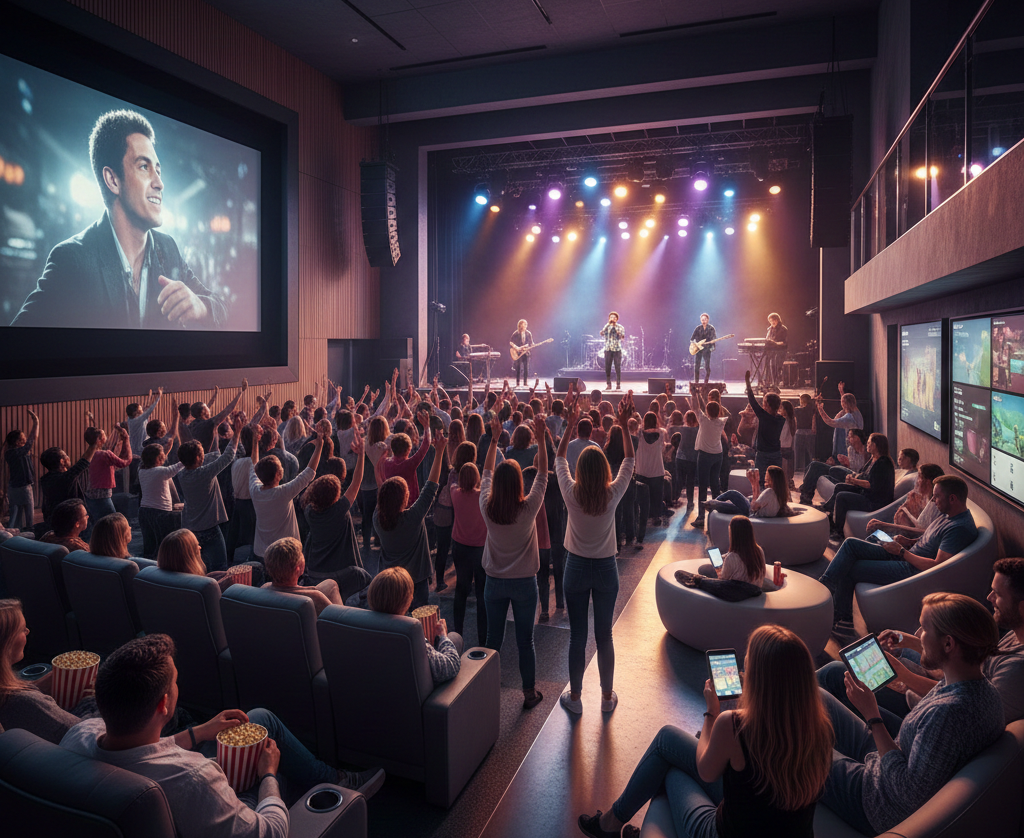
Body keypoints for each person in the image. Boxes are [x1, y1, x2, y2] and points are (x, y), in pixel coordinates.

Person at [60, 635, 384, 838]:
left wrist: (199, 731)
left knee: (259, 718)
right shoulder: (194, 778)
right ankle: (329, 786)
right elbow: (269, 833)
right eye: (174, 682)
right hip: (224, 809)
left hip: (182, 797)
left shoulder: (80, 735)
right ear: (163, 703)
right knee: (269, 757)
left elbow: (141, 751)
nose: (177, 686)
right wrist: (268, 774)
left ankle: (329, 776)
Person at [579, 624, 833, 838]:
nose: (744, 671)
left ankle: (613, 824)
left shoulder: (734, 724)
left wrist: (712, 712)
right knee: (673, 746)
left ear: (759, 682)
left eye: (748, 667)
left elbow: (706, 770)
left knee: (670, 762)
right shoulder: (820, 730)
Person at [11, 110, 225, 329]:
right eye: (144, 167)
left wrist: (202, 307)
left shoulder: (168, 248)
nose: (159, 183)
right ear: (112, 180)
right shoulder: (72, 260)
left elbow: (221, 307)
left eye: (158, 170)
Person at [820, 593, 1003, 835]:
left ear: (949, 644)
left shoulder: (947, 716)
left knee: (797, 750)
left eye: (924, 629)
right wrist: (903, 676)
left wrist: (872, 715)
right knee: (818, 695)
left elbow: (906, 793)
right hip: (893, 757)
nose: (917, 635)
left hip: (877, 802)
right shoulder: (980, 688)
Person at [818, 559, 1024, 737]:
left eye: (997, 594)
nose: (989, 598)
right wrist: (909, 642)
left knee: (835, 674)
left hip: (921, 711)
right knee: (897, 653)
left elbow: (968, 709)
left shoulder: (1016, 670)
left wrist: (906, 678)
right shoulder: (1015, 636)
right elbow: (967, 670)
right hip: (945, 686)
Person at [819, 475, 978, 638]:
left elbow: (937, 566)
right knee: (853, 543)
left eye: (937, 496)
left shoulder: (959, 528)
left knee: (853, 566)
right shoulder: (947, 515)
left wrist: (902, 552)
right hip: (905, 554)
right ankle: (826, 586)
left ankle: (837, 610)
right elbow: (931, 539)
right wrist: (907, 541)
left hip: (910, 569)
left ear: (952, 498)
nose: (933, 500)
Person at [556, 392, 635, 714]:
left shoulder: (571, 492)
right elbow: (629, 461)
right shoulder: (612, 492)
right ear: (603, 467)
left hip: (575, 567)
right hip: (606, 570)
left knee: (577, 636)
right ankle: (606, 698)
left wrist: (571, 425)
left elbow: (560, 459)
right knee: (605, 636)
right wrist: (625, 426)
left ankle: (575, 699)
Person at [480, 411, 548, 709]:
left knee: (493, 639)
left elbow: (484, 474)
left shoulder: (487, 507)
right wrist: (543, 439)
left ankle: (485, 689)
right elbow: (544, 474)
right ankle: (529, 693)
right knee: (525, 641)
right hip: (524, 583)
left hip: (494, 581)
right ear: (520, 483)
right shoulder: (529, 508)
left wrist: (494, 440)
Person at [0, 599, 99, 743]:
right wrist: (93, 698)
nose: (28, 631)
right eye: (22, 629)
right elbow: (87, 736)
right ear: (6, 643)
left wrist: (34, 687)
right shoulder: (25, 703)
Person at [374, 428, 448, 610]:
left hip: (390, 578)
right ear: (404, 499)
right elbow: (431, 487)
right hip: (416, 579)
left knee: (391, 618)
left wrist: (378, 464)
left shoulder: (378, 518)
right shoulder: (413, 518)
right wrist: (439, 453)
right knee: (418, 618)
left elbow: (382, 487)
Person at [302, 439, 373, 598]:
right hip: (339, 572)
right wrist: (361, 455)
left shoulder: (309, 512)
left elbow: (308, 478)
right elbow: (356, 481)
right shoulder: (339, 510)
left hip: (316, 570)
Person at [368, 567, 463, 686]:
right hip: (421, 697)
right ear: (408, 600)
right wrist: (443, 637)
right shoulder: (410, 635)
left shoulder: (361, 627)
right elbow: (451, 665)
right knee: (455, 638)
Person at [249, 422, 326, 561]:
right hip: (286, 551)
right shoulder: (283, 493)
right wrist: (320, 446)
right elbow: (309, 472)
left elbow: (253, 464)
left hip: (262, 552)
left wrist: (255, 441)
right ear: (279, 475)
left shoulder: (255, 490)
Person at [177, 415, 242, 571]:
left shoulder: (181, 473)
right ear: (199, 457)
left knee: (196, 566)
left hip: (190, 527)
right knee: (220, 567)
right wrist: (237, 432)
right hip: (209, 528)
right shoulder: (204, 474)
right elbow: (228, 456)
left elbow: (204, 459)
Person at [822, 432, 895, 538]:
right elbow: (862, 474)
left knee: (842, 497)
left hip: (875, 501)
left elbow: (871, 485)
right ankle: (829, 513)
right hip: (867, 494)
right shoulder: (872, 459)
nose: (867, 445)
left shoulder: (883, 462)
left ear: (876, 445)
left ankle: (838, 530)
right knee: (840, 487)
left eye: (870, 443)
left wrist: (854, 481)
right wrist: (852, 478)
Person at [261, 536, 356, 615]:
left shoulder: (263, 589)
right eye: (301, 554)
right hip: (320, 636)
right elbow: (339, 624)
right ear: (298, 568)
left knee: (330, 584)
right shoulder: (315, 598)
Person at [157, 528, 265, 591]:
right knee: (256, 568)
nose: (200, 547)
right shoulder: (206, 589)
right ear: (188, 558)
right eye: (196, 546)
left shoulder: (156, 580)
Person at [697, 515, 778, 590]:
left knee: (704, 569)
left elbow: (722, 580)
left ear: (733, 534)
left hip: (737, 591)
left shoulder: (732, 557)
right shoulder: (759, 550)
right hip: (755, 588)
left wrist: (719, 571)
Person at [38, 433, 99, 531]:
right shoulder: (65, 478)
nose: (68, 457)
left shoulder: (45, 479)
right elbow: (83, 462)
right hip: (72, 521)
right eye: (66, 455)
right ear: (62, 461)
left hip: (56, 520)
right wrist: (95, 444)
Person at [866, 463, 945, 538]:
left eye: (919, 477)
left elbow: (925, 533)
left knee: (873, 537)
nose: (917, 481)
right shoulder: (919, 497)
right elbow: (898, 516)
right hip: (901, 536)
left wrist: (885, 526)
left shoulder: (936, 505)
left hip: (910, 544)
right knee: (873, 536)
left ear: (927, 482)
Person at [689, 387, 727, 529]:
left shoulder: (704, 421)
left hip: (705, 456)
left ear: (707, 411)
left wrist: (695, 394)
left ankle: (701, 517)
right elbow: (713, 410)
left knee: (703, 487)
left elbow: (695, 408)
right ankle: (718, 514)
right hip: (718, 455)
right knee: (715, 485)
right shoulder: (722, 421)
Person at [83, 425, 132, 528]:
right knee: (113, 522)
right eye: (104, 434)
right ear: (99, 439)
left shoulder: (88, 455)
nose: (107, 436)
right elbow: (126, 461)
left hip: (90, 492)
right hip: (103, 492)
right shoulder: (105, 454)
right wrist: (126, 439)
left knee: (98, 522)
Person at [744, 370, 786, 485]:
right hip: (776, 453)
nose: (762, 405)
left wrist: (748, 382)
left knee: (761, 481)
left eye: (764, 403)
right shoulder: (781, 420)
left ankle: (762, 501)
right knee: (776, 481)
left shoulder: (764, 417)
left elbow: (752, 400)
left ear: (766, 405)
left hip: (763, 454)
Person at [706, 465, 791, 519]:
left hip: (752, 514)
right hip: (758, 512)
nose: (765, 476)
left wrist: (754, 483)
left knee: (733, 493)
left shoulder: (769, 492)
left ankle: (712, 503)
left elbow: (753, 507)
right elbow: (759, 502)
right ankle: (713, 504)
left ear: (772, 479)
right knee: (734, 507)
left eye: (767, 475)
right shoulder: (781, 493)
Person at [3, 411, 39, 531]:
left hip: (15, 487)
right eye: (22, 437)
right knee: (27, 513)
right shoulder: (13, 453)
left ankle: (13, 535)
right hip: (22, 487)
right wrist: (36, 423)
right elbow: (30, 442)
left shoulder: (13, 452)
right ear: (17, 442)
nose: (25, 438)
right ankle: (28, 532)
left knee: (16, 513)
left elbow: (32, 440)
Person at [635, 412, 668, 526]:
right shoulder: (662, 433)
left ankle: (643, 516)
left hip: (641, 469)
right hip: (657, 469)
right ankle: (656, 516)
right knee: (657, 496)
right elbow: (663, 449)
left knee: (642, 497)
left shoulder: (639, 433)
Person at [600, 311, 625, 390]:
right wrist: (608, 325)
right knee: (608, 367)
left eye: (614, 317)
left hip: (617, 349)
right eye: (611, 317)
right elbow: (602, 333)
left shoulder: (620, 327)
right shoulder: (607, 326)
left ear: (617, 319)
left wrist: (616, 329)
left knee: (617, 367)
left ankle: (618, 384)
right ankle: (608, 384)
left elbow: (622, 336)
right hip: (608, 349)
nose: (612, 319)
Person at [690, 313, 717, 385]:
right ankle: (696, 382)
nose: (703, 321)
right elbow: (692, 339)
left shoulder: (711, 328)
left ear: (708, 320)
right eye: (702, 320)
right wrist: (696, 344)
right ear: (700, 320)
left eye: (705, 319)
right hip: (698, 349)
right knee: (697, 366)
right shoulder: (698, 328)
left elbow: (714, 338)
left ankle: (706, 382)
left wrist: (712, 344)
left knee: (707, 366)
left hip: (707, 349)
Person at [793, 393, 817, 473]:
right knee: (811, 452)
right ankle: (811, 467)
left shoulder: (796, 410)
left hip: (799, 431)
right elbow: (814, 422)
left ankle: (797, 467)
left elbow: (795, 422)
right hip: (809, 432)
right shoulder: (812, 410)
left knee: (798, 451)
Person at [764, 312, 788, 388]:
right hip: (771, 351)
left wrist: (775, 343)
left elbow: (784, 342)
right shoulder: (770, 329)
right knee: (771, 366)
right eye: (770, 321)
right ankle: (772, 383)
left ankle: (777, 383)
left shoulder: (783, 329)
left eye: (773, 320)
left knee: (777, 366)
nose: (772, 322)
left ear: (778, 320)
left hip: (781, 351)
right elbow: (767, 340)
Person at [510, 319, 533, 386]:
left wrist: (528, 346)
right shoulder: (516, 333)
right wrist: (516, 347)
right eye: (523, 324)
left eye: (525, 324)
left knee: (526, 367)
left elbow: (531, 343)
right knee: (518, 367)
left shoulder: (528, 333)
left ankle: (525, 382)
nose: (525, 326)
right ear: (520, 325)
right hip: (518, 353)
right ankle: (517, 382)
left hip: (526, 353)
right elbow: (511, 342)